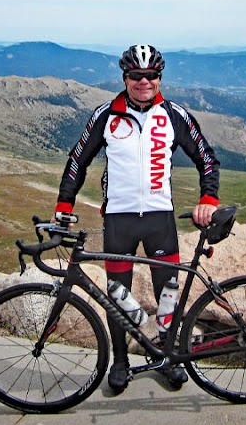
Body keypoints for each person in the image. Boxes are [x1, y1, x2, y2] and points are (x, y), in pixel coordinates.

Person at [55, 43, 220, 394]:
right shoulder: (106, 115)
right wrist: (64, 206)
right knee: (118, 293)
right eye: (136, 76)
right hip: (119, 220)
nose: (144, 82)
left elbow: (206, 157)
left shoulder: (175, 114)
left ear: (159, 78)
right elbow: (77, 161)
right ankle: (120, 360)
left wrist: (208, 198)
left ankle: (169, 356)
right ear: (125, 77)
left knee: (168, 291)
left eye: (151, 76)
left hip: (160, 218)